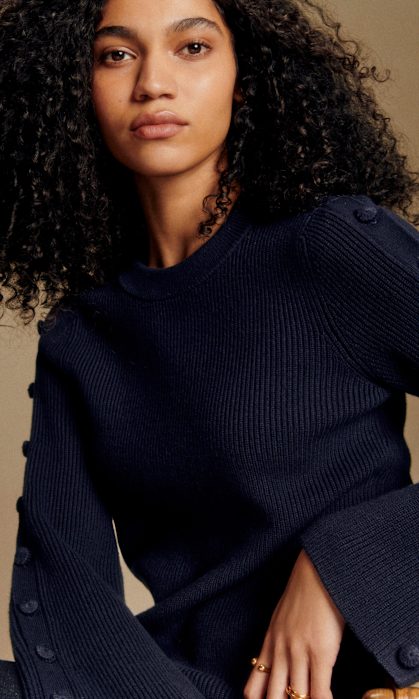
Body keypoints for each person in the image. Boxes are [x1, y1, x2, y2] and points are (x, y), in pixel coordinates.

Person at [0, 0, 418, 697]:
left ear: (245, 79)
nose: (151, 84)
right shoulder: (82, 332)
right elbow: (68, 590)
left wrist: (342, 569)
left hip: (369, 669)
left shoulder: (328, 246)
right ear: (75, 87)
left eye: (191, 48)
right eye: (116, 55)